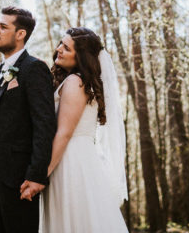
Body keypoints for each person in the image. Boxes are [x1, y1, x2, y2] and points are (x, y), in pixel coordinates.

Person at [40, 27, 129, 233]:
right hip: (81, 158)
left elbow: (64, 132)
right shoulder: (82, 82)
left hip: (69, 162)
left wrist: (42, 174)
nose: (59, 49)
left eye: (67, 48)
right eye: (61, 43)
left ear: (80, 57)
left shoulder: (74, 81)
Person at [0, 6, 56, 233]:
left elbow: (44, 125)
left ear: (20, 34)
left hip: (19, 180)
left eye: (3, 26)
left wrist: (36, 175)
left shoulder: (34, 68)